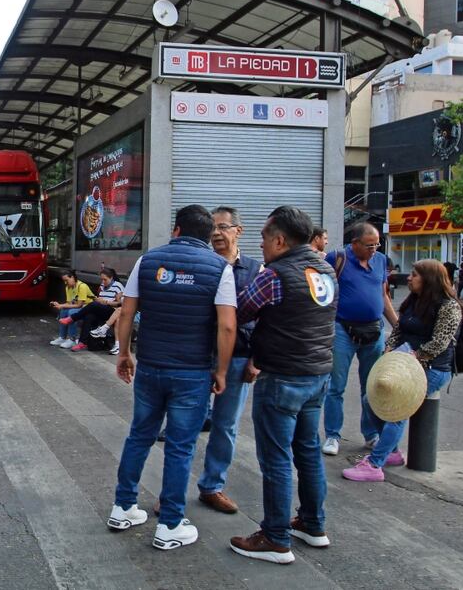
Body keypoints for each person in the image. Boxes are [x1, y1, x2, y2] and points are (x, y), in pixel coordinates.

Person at [108, 204, 236, 552]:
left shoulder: (147, 261)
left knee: (139, 435)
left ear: (176, 229)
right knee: (180, 447)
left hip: (150, 366)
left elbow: (128, 310)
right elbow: (226, 325)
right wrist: (221, 371)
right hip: (193, 373)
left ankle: (123, 507)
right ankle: (170, 525)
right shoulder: (220, 268)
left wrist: (124, 353)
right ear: (208, 235)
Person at [227, 206, 336, 564]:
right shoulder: (325, 270)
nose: (260, 245)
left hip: (282, 377)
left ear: (279, 239)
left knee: (276, 460)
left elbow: (241, 311)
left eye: (262, 238)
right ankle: (312, 524)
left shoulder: (275, 274)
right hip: (317, 375)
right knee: (308, 453)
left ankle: (275, 537)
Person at [343, 260, 462, 482]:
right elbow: (398, 330)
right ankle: (393, 452)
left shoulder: (449, 306)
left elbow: (441, 342)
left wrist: (414, 356)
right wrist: (390, 349)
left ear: (429, 280)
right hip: (403, 365)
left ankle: (374, 464)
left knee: (397, 411)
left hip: (432, 368)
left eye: (415, 275)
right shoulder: (413, 301)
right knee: (371, 400)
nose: (408, 277)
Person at [196, 206, 262, 514]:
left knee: (225, 426)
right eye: (213, 228)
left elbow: (266, 320)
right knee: (185, 424)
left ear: (239, 230)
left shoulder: (256, 270)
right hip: (196, 356)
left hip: (238, 358)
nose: (217, 233)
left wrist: (256, 360)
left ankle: (213, 486)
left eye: (223, 227)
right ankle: (172, 488)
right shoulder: (201, 264)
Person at [322, 222, 398, 456]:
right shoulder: (337, 258)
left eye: (377, 244)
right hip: (343, 330)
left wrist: (397, 326)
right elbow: (322, 292)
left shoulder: (381, 260)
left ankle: (371, 434)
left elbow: (383, 294)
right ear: (354, 243)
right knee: (336, 386)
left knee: (372, 387)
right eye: (369, 245)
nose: (374, 249)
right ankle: (333, 435)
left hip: (374, 330)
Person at [62, 267, 123, 352]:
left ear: (111, 277)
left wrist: (106, 302)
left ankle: (73, 318)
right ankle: (82, 342)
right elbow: (100, 298)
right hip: (102, 309)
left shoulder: (118, 286)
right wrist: (98, 300)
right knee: (89, 316)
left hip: (112, 311)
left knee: (93, 305)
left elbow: (120, 304)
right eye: (101, 280)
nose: (103, 282)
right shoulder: (102, 286)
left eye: (105, 280)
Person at [49, 271, 95, 349]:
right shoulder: (68, 288)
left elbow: (79, 305)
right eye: (64, 281)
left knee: (71, 312)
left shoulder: (82, 286)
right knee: (64, 310)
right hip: (80, 308)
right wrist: (59, 305)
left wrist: (62, 305)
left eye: (66, 280)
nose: (65, 283)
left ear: (72, 277)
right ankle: (62, 337)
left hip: (88, 308)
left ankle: (72, 339)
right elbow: (69, 303)